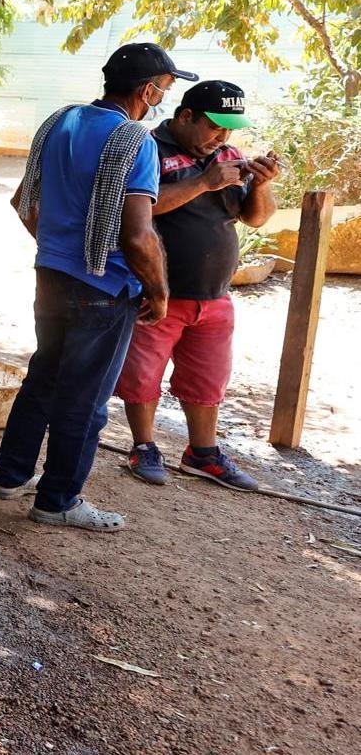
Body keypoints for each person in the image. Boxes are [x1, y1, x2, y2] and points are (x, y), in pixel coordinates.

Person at [0, 43, 182, 533]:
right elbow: (137, 236)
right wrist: (159, 291)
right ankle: (58, 501)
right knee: (86, 399)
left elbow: (23, 202)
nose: (163, 99)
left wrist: (59, 249)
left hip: (51, 276)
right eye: (164, 89)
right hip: (103, 287)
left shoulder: (61, 122)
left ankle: (11, 476)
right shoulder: (135, 142)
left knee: (44, 378)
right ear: (147, 91)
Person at [118, 80, 281, 490]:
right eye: (214, 126)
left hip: (215, 296)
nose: (221, 137)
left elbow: (255, 218)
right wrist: (204, 182)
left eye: (229, 129)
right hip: (158, 294)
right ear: (186, 116)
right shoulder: (148, 148)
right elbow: (139, 209)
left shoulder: (229, 156)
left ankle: (203, 454)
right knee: (142, 375)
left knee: (208, 379)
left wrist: (261, 185)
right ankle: (144, 446)